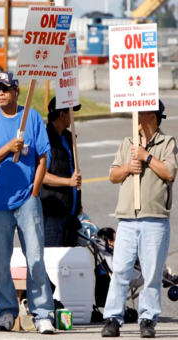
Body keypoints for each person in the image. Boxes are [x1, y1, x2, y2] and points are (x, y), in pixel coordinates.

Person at [0, 72, 55, 334]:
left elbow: (43, 158)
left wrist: (34, 192)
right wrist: (8, 148)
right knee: (1, 263)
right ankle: (6, 312)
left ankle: (42, 313)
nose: (0, 93)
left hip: (27, 201)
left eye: (5, 88)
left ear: (17, 91)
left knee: (36, 258)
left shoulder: (32, 118)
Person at [101, 100, 177, 338]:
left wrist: (146, 157)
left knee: (152, 273)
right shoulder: (128, 143)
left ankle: (148, 319)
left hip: (154, 219)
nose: (136, 116)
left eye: (140, 112)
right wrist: (127, 168)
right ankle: (113, 317)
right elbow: (113, 175)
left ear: (152, 116)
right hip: (127, 220)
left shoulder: (167, 143)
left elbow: (169, 172)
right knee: (121, 271)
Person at [41, 97, 82, 247]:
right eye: (71, 112)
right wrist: (69, 182)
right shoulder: (46, 140)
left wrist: (78, 203)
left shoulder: (68, 137)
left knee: (70, 265)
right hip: (53, 213)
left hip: (70, 212)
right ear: (62, 115)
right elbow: (42, 176)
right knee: (54, 261)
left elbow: (71, 169)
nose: (73, 117)